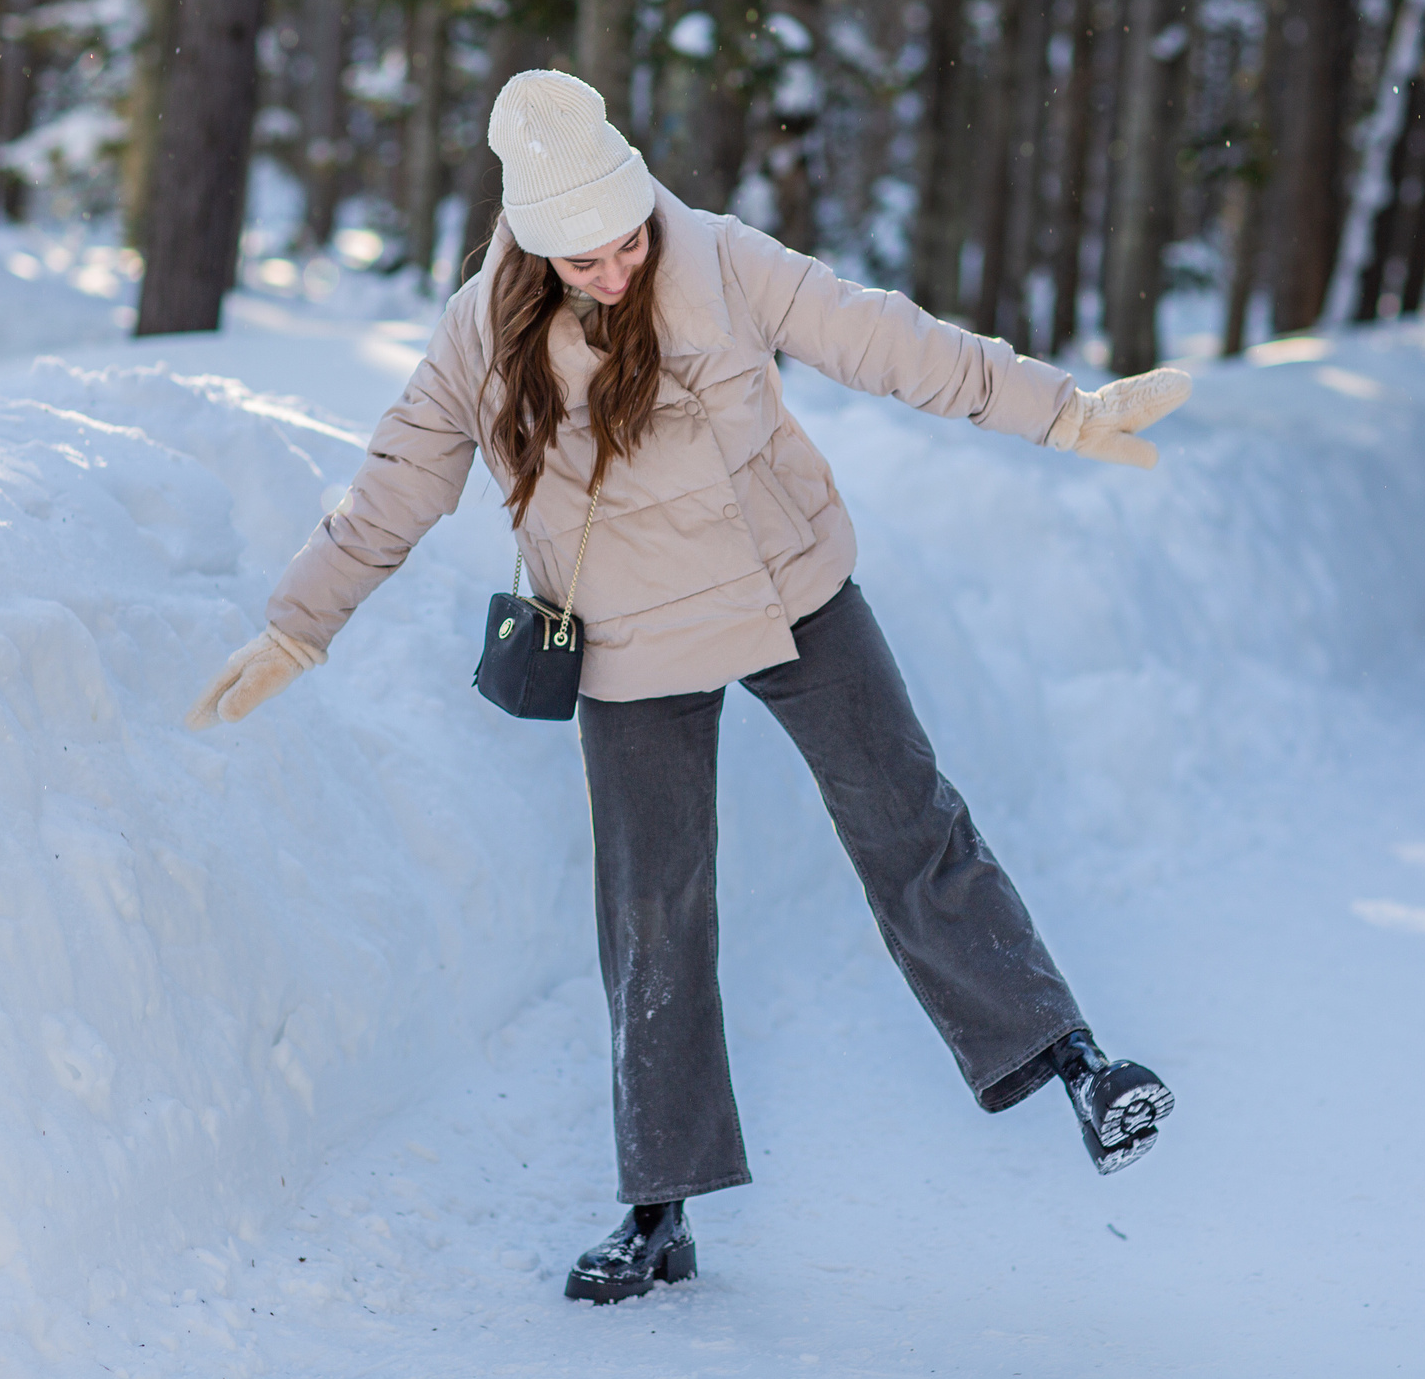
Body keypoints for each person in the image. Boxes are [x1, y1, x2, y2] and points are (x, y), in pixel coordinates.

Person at [185, 71, 1191, 1304]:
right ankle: (657, 1207)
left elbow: (887, 338)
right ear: (534, 245)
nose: (617, 269)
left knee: (910, 826)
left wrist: (1063, 413)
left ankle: (1076, 1064)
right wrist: (298, 627)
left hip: (790, 590)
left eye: (627, 242)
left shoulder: (715, 257)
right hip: (625, 636)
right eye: (586, 260)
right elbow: (396, 479)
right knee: (652, 913)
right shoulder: (478, 332)